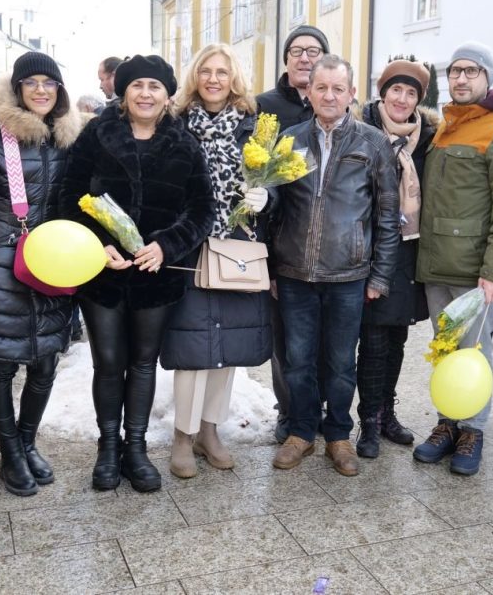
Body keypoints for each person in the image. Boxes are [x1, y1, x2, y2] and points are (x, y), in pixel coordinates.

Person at [62, 54, 214, 492]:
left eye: (155, 86)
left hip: (156, 276)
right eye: (137, 86)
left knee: (144, 363)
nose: (146, 94)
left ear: (167, 96)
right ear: (123, 93)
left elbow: (202, 208)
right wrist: (98, 242)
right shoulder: (97, 134)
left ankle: (135, 448)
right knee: (109, 362)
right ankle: (108, 448)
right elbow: (68, 195)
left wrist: (166, 245)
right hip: (103, 273)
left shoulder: (184, 143)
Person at [0, 52, 83, 496]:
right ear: (18, 88)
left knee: (46, 362)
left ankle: (26, 442)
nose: (41, 90)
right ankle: (9, 453)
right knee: (3, 366)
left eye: (50, 82)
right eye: (32, 82)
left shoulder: (67, 140)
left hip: (53, 266)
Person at [270, 54, 399, 477]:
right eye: (320, 87)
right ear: (308, 91)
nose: (328, 95)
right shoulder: (289, 140)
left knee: (342, 361)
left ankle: (339, 435)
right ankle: (302, 432)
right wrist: (271, 266)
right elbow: (274, 208)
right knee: (298, 360)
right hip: (294, 273)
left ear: (351, 93)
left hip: (349, 274)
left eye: (337, 88)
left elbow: (387, 215)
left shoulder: (373, 143)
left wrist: (380, 274)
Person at [413, 42, 493, 475]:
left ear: (489, 78)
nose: (461, 78)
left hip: (476, 271)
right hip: (436, 264)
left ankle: (473, 429)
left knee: (474, 351)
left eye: (471, 71)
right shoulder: (445, 128)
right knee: (444, 348)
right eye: (455, 71)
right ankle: (447, 421)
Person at [162, 44, 273, 478]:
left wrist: (266, 196)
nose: (213, 79)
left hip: (235, 248)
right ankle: (182, 437)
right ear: (195, 77)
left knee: (226, 349)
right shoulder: (176, 124)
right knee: (193, 347)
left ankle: (210, 431)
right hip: (189, 248)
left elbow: (273, 176)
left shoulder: (252, 126)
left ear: (234, 78)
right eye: (205, 71)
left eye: (221, 72)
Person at [355, 58, 436, 459]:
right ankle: (367, 420)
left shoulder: (429, 136)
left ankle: (388, 412)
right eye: (396, 90)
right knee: (372, 336)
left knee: (398, 335)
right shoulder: (362, 131)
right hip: (371, 247)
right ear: (382, 92)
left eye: (411, 93)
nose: (402, 99)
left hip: (411, 247)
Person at [256, 24, 329, 442]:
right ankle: (289, 411)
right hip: (281, 242)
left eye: (313, 50)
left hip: (328, 248)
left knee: (321, 337)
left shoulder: (334, 105)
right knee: (286, 337)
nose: (305, 57)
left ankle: (314, 409)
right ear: (286, 59)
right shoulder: (265, 107)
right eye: (297, 50)